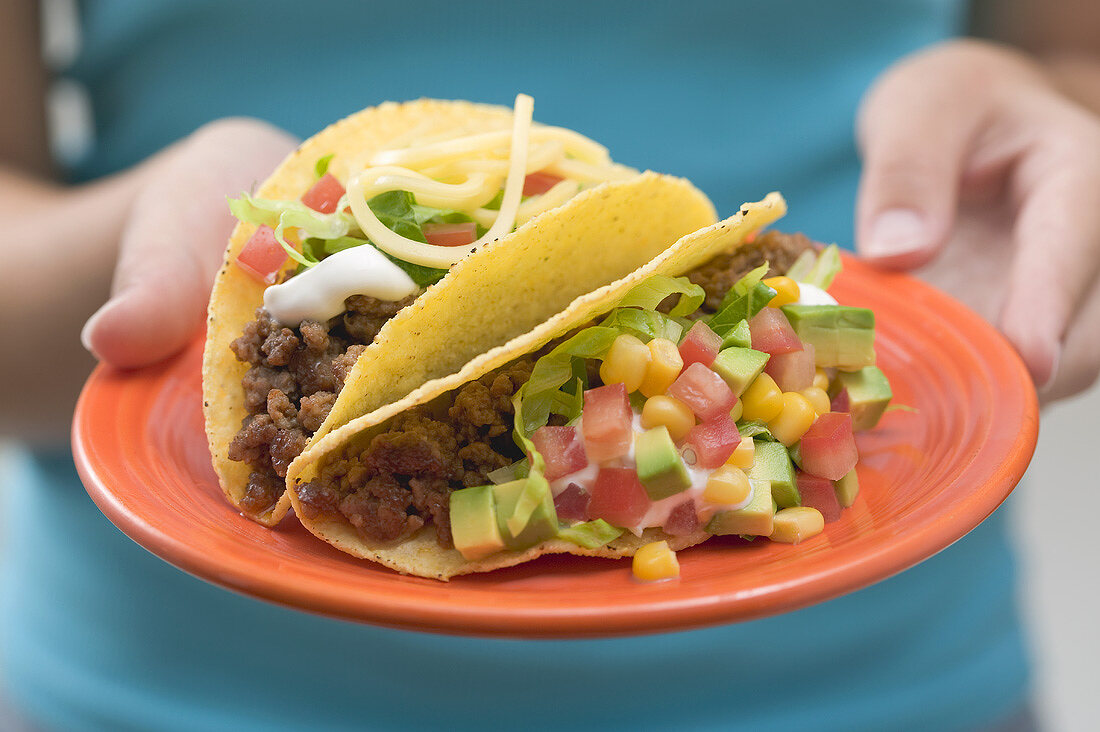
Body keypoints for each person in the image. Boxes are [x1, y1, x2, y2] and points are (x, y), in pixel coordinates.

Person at [2, 1, 1098, 729]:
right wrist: (134, 251)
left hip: (880, 684)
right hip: (182, 691)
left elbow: (1073, 54)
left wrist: (1040, 112)